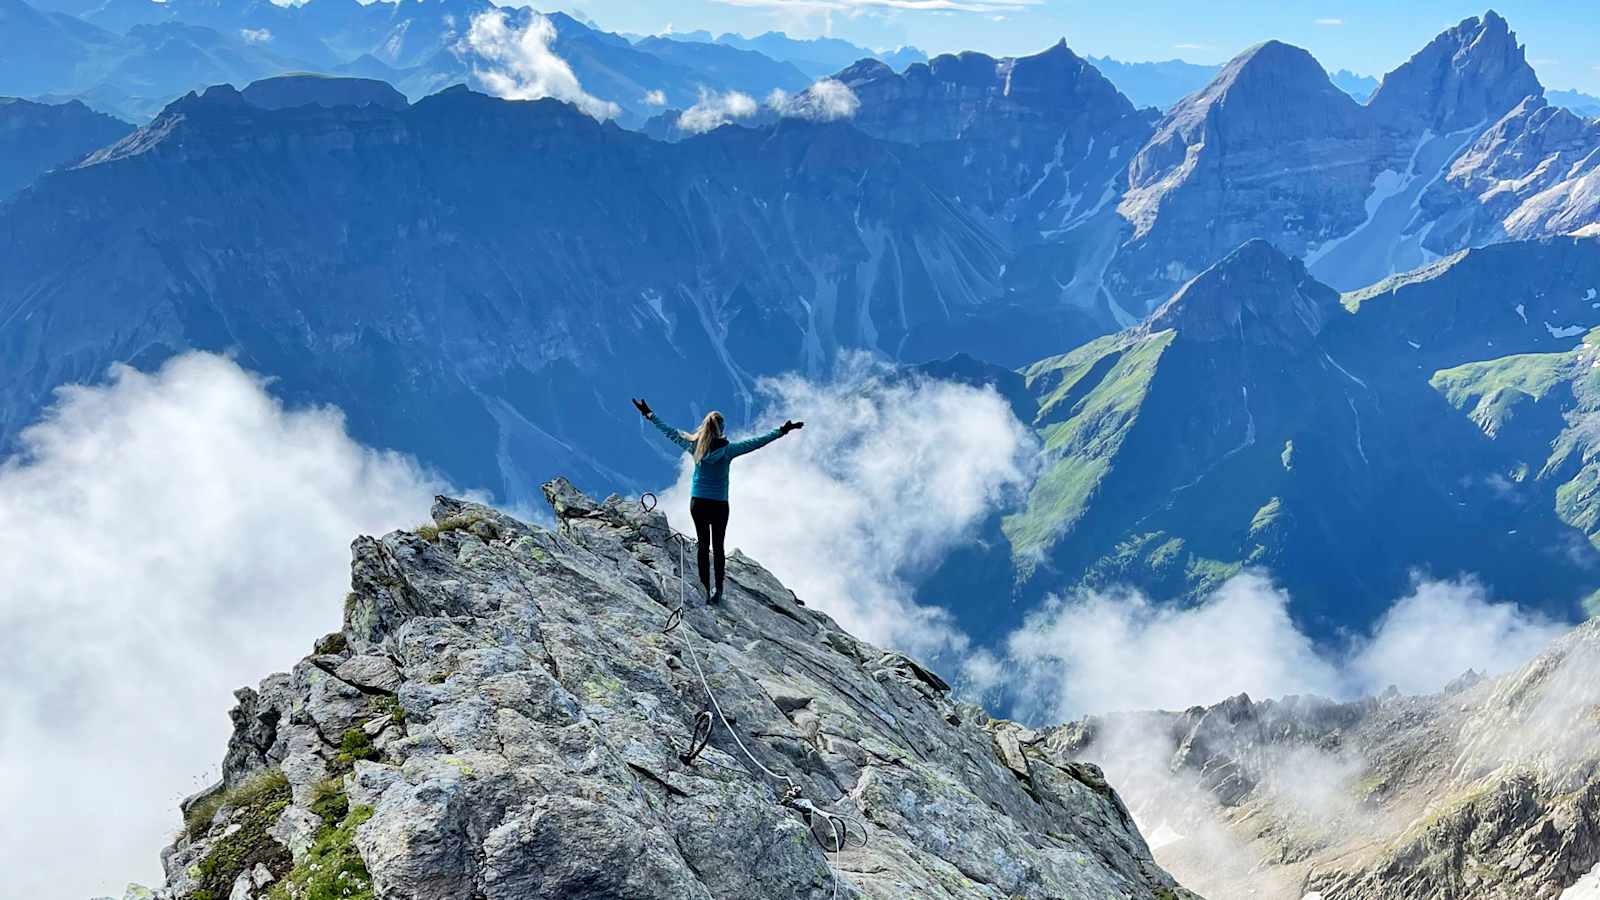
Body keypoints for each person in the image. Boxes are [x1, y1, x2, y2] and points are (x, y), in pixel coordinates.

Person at [633, 397, 803, 603]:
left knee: (703, 546)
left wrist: (649, 414)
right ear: (721, 429)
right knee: (719, 547)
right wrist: (782, 431)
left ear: (705, 426)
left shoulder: (694, 446)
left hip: (698, 503)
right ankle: (719, 590)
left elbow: (669, 432)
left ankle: (704, 588)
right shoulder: (729, 450)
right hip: (719, 504)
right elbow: (757, 442)